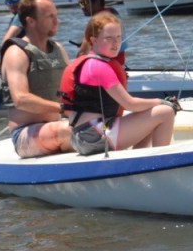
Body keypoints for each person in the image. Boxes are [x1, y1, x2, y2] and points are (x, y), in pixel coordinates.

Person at [59, 11, 176, 156]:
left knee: (148, 115)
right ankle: (160, 161)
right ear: (94, 40)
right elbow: (130, 104)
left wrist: (156, 104)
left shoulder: (90, 62)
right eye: (109, 38)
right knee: (165, 112)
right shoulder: (99, 67)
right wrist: (162, 102)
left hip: (82, 136)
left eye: (118, 37)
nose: (115, 43)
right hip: (93, 137)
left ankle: (140, 160)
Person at [0, 0, 73, 158]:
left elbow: (72, 89)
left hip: (56, 125)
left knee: (104, 124)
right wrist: (62, 108)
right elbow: (21, 99)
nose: (57, 21)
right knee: (76, 131)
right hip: (25, 136)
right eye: (49, 16)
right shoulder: (16, 53)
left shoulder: (59, 49)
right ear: (31, 21)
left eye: (56, 15)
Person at [74, 0, 126, 66]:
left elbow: (82, 53)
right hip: (118, 64)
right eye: (80, 4)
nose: (82, 7)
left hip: (105, 66)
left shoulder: (98, 21)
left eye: (84, 3)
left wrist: (73, 68)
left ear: (97, 2)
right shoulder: (113, 13)